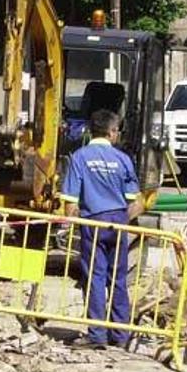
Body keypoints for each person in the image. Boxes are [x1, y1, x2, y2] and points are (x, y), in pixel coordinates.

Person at [60, 109, 145, 350]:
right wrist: (121, 220)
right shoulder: (123, 159)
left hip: (92, 222)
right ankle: (120, 334)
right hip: (118, 221)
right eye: (117, 130)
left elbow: (70, 202)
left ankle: (96, 334)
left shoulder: (79, 157)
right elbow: (136, 202)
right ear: (111, 132)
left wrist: (74, 225)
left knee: (95, 278)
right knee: (117, 278)